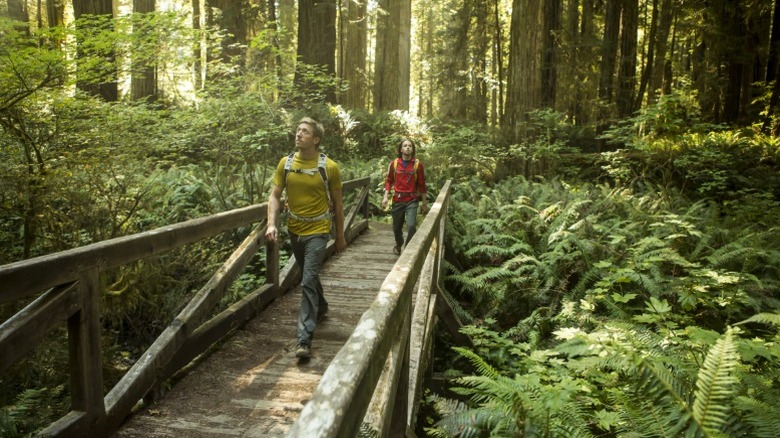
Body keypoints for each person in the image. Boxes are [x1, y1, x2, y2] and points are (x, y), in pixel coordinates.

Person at [265, 117, 347, 360]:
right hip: (294, 230)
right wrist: (271, 223)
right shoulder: (286, 163)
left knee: (308, 279)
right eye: (298, 130)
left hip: (319, 231)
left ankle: (304, 339)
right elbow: (275, 196)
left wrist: (340, 235)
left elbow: (339, 203)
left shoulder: (329, 167)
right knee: (309, 276)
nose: (298, 134)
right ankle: (321, 306)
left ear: (316, 139)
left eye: (305, 131)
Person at [381, 138, 428, 255]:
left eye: (410, 146)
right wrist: (385, 197)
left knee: (411, 226)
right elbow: (389, 181)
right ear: (401, 149)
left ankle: (407, 250)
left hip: (412, 200)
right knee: (397, 228)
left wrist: (424, 203)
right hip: (397, 199)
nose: (407, 147)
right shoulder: (394, 164)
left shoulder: (418, 165)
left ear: (412, 149)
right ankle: (398, 243)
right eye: (405, 145)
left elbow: (422, 184)